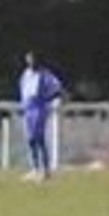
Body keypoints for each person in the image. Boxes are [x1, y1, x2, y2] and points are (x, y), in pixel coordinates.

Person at [18, 51, 63, 181]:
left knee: (38, 138)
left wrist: (53, 98)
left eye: (32, 59)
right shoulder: (26, 74)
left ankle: (46, 170)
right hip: (28, 108)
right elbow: (23, 89)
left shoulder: (44, 74)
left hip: (39, 107)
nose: (30, 62)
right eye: (28, 60)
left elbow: (56, 86)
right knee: (30, 139)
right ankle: (34, 168)